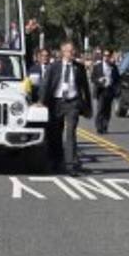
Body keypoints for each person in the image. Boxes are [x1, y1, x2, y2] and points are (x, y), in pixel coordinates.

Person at [36, 41, 91, 175]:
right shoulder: (54, 67)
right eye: (69, 51)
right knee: (55, 133)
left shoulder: (79, 67)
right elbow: (46, 84)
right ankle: (56, 161)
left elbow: (85, 88)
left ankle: (71, 165)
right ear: (63, 52)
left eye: (73, 51)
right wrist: (41, 101)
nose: (72, 53)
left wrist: (88, 106)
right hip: (56, 102)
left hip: (73, 103)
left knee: (71, 133)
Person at [90, 48, 119, 134]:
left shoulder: (113, 67)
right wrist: (99, 80)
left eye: (108, 56)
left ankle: (105, 126)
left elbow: (117, 78)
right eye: (105, 55)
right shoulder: (97, 66)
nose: (106, 57)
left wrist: (116, 87)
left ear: (110, 56)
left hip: (109, 90)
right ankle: (99, 126)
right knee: (100, 109)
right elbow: (92, 78)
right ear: (102, 56)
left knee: (107, 110)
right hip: (101, 90)